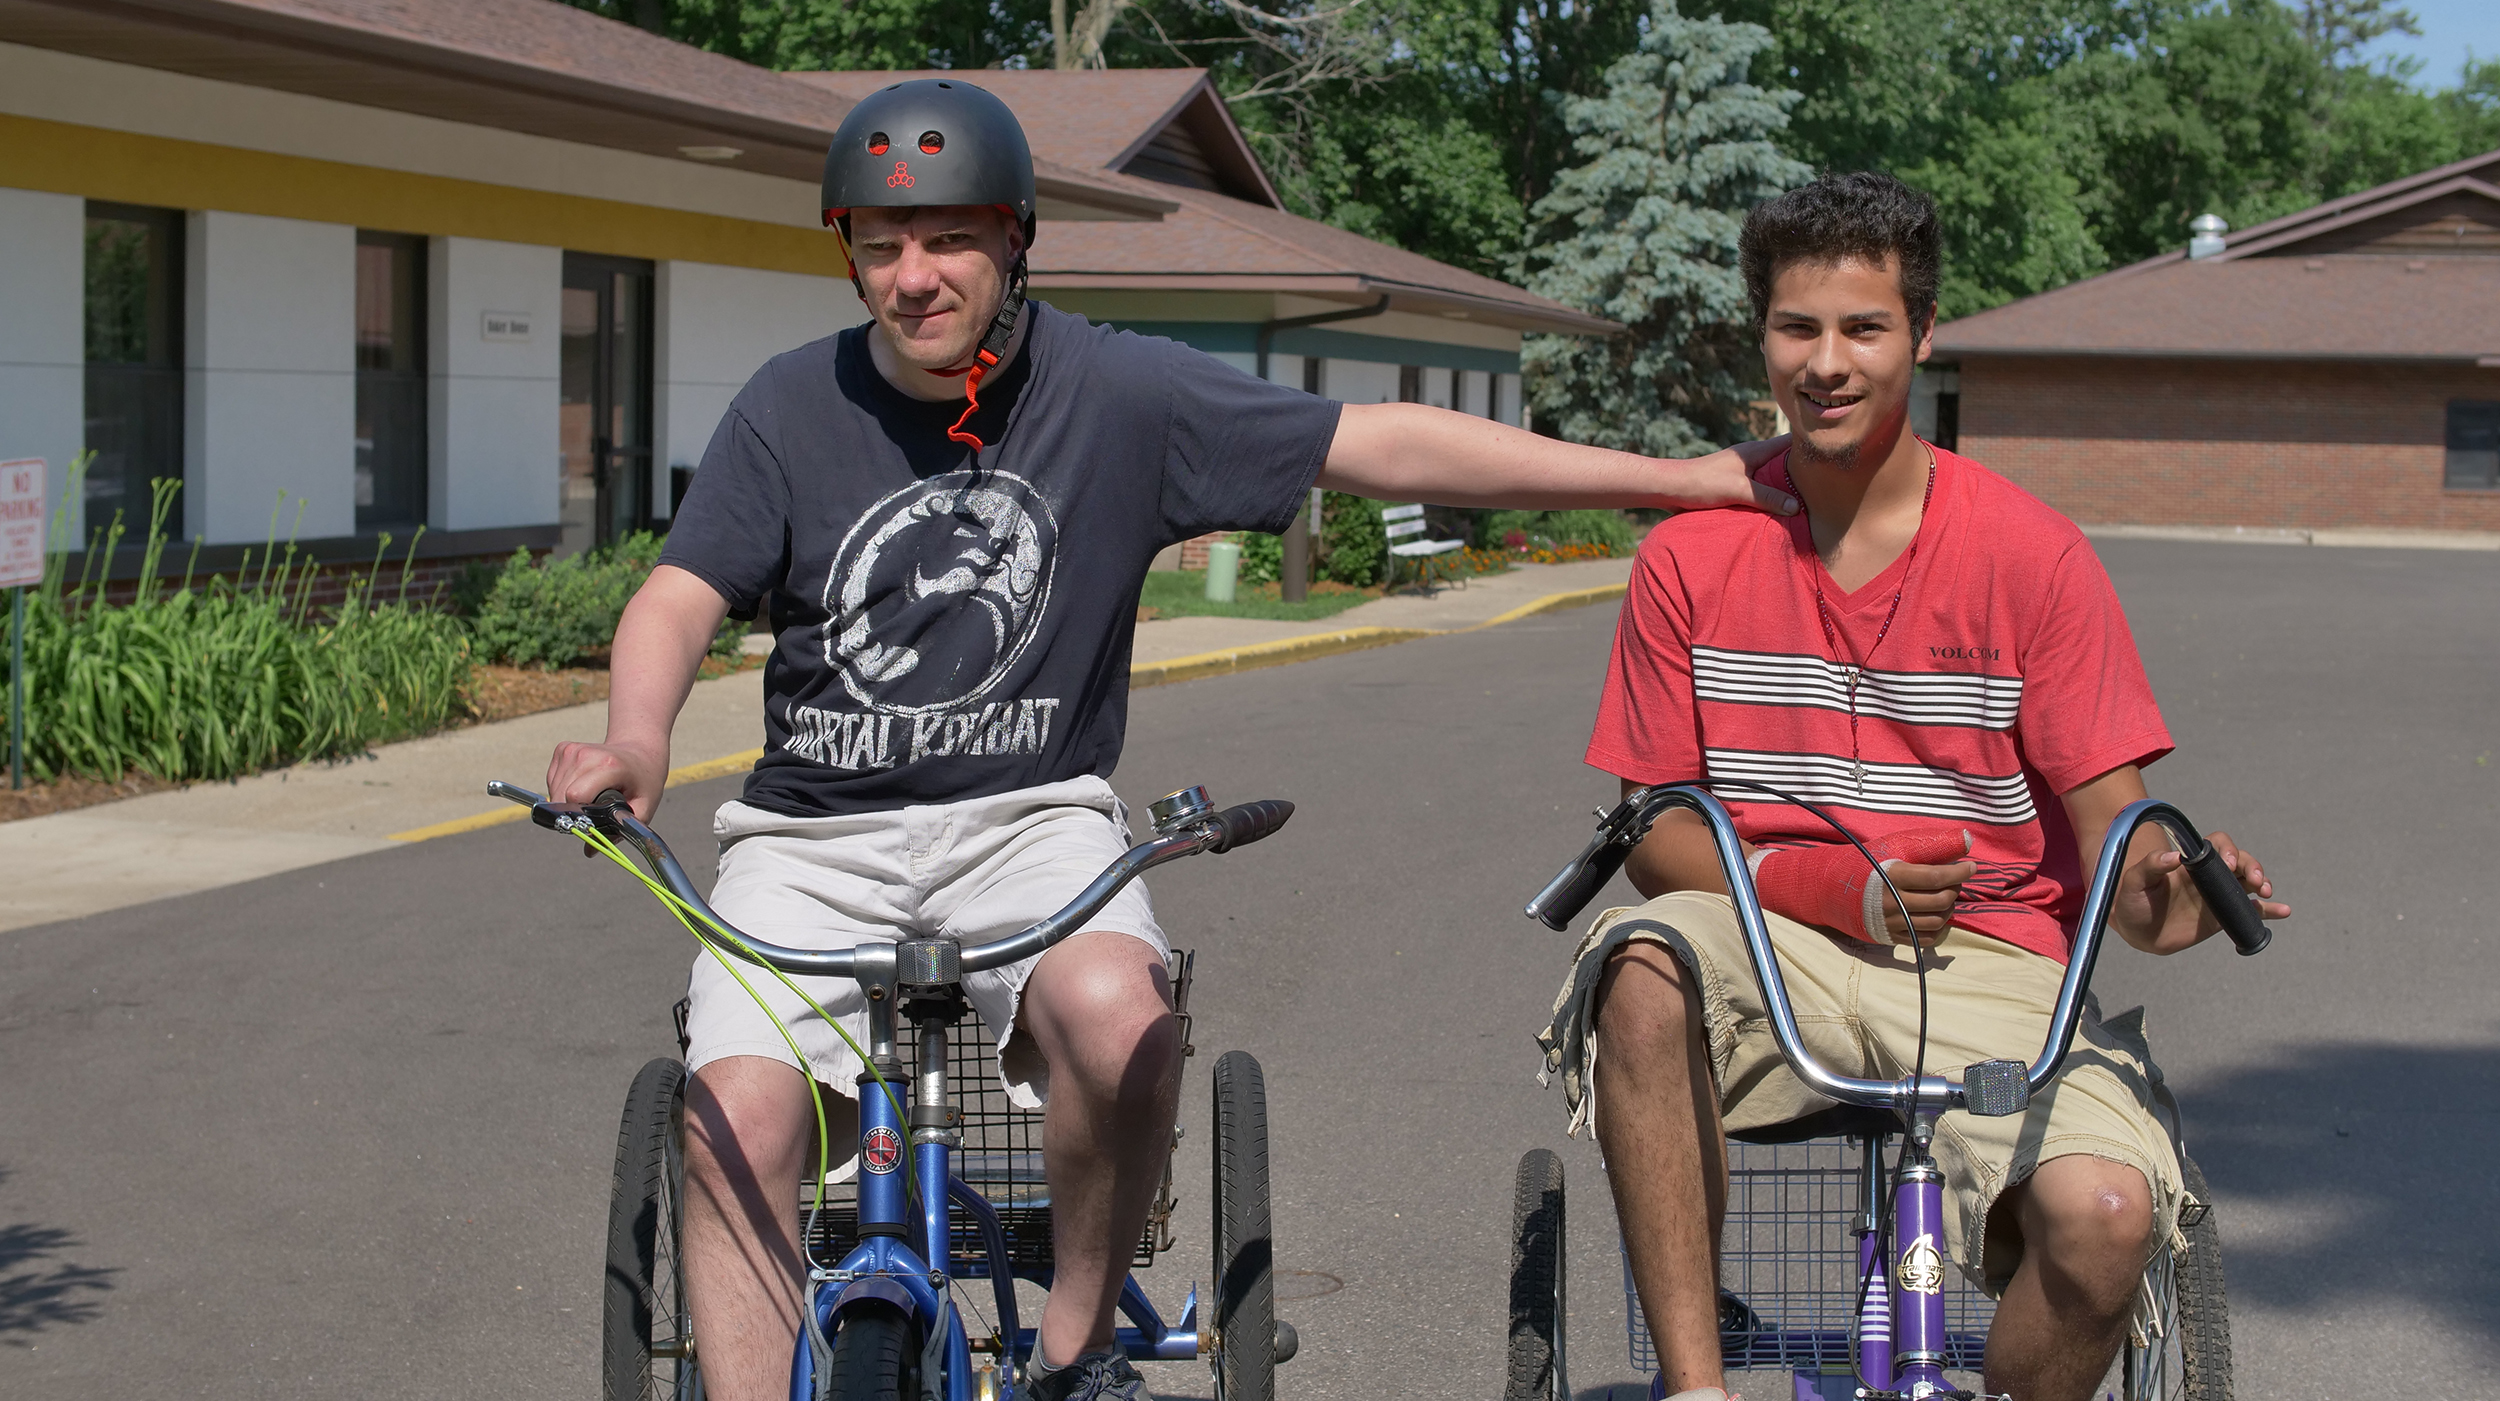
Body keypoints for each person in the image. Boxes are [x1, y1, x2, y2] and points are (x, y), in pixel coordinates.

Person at [545, 79, 1793, 1401]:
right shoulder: (791, 407)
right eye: (880, 243)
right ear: (848, 250)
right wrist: (635, 739)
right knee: (729, 1115)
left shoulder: (1119, 391)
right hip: (808, 838)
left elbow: (1380, 440)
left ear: (1018, 237)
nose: (914, 277)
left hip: (1031, 820)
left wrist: (1687, 481)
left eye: (951, 237)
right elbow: (679, 594)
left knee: (1125, 1023)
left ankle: (1076, 1353)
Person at [1534, 171, 2290, 1401]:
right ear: (1762, 336)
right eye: (1797, 328)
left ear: (1921, 338)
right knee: (1639, 964)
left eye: (1862, 328)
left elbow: (2125, 873)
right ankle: (1697, 1388)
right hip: (1767, 945)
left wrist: (2176, 899)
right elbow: (1658, 829)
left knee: (2104, 1217)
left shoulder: (2031, 556)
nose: (1825, 363)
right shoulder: (1689, 554)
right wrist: (1836, 887)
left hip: (1994, 960)